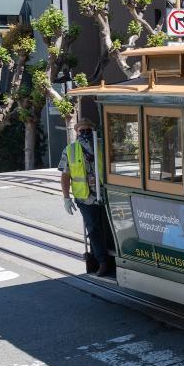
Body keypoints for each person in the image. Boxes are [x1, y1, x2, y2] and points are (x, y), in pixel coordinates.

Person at [59, 118, 115, 277]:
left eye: (87, 130)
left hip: (105, 194)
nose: (84, 134)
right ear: (77, 133)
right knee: (93, 229)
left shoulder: (102, 146)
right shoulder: (70, 150)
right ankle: (102, 261)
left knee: (111, 226)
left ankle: (113, 257)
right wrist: (66, 198)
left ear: (93, 131)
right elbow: (65, 175)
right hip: (85, 197)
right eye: (81, 131)